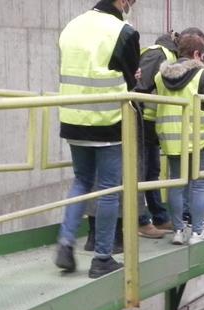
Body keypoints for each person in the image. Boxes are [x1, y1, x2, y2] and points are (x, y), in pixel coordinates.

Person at [55, 0, 140, 278]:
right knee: (107, 188)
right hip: (107, 120)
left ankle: (66, 241)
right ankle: (102, 257)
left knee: (81, 181)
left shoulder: (71, 26)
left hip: (73, 118)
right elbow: (131, 81)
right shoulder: (124, 32)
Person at [154, 32, 204, 245]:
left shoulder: (160, 76)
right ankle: (197, 233)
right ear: (197, 54)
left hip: (172, 140)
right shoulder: (202, 75)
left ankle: (178, 232)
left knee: (176, 184)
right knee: (200, 185)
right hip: (201, 139)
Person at [135, 31, 179, 233]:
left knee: (152, 171)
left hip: (151, 124)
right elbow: (139, 87)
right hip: (143, 122)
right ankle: (141, 221)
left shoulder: (166, 56)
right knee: (142, 173)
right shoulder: (157, 54)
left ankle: (159, 217)